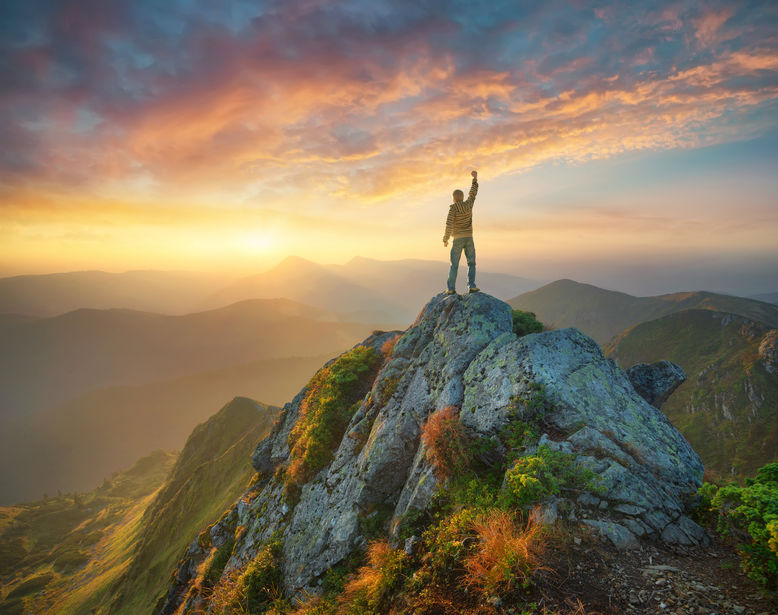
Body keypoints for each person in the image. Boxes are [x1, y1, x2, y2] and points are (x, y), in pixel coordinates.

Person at [443, 169, 479, 294]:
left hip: (457, 239)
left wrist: (446, 239)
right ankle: (472, 286)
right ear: (462, 197)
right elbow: (473, 193)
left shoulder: (453, 209)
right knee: (471, 263)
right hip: (469, 238)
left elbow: (449, 224)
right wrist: (474, 179)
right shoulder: (469, 204)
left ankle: (451, 289)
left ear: (453, 198)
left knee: (454, 265)